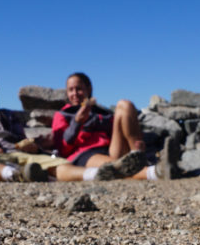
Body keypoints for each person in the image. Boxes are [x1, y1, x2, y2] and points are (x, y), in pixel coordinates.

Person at [0, 66, 147, 182]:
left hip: (18, 156)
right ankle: (14, 175)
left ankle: (97, 175)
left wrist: (31, 146)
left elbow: (22, 139)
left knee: (58, 166)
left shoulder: (5, 115)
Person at [51, 72, 179, 180]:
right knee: (114, 167)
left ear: (88, 89)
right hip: (86, 153)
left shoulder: (102, 112)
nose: (75, 93)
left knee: (125, 105)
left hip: (111, 147)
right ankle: (156, 172)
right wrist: (77, 122)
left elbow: (122, 130)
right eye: (70, 90)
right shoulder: (63, 114)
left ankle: (139, 155)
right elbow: (62, 147)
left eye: (79, 89)